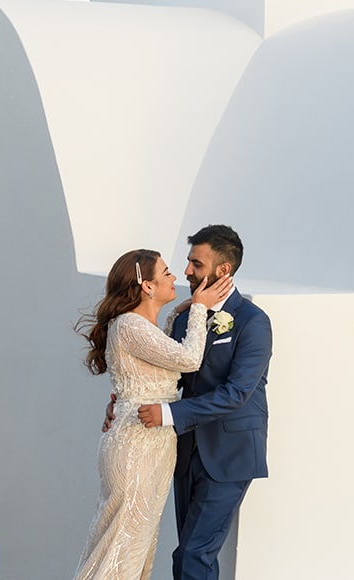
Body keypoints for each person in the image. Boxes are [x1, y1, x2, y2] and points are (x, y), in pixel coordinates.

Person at [120, 225, 273, 580]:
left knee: (193, 554)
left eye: (195, 264)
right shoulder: (189, 317)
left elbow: (237, 392)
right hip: (186, 451)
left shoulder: (253, 322)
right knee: (189, 552)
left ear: (222, 270)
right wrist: (126, 400)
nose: (187, 271)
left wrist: (169, 413)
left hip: (230, 453)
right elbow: (167, 376)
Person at [73, 247, 233, 580]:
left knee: (133, 547)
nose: (176, 277)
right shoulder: (130, 325)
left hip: (150, 444)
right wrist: (200, 310)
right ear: (147, 286)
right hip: (137, 447)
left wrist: (179, 314)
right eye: (166, 273)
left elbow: (153, 364)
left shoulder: (137, 326)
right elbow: (189, 360)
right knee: (121, 547)